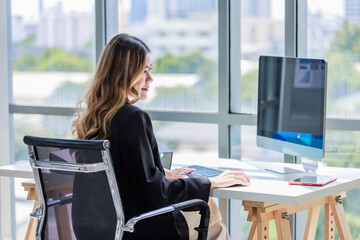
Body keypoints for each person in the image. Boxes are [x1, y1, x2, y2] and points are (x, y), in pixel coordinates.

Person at [72, 33, 251, 240]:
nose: (150, 79)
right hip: (137, 229)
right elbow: (158, 194)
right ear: (124, 74)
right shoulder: (133, 117)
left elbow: (114, 174)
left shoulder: (93, 117)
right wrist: (210, 182)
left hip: (97, 230)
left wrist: (159, 173)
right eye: (144, 71)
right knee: (209, 210)